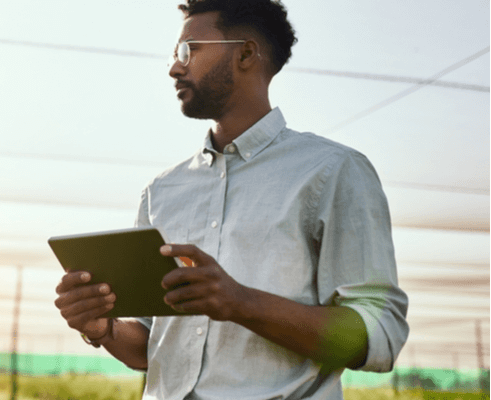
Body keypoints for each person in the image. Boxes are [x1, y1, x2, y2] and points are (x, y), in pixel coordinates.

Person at [53, 0, 409, 398]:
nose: (175, 68)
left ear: (245, 54)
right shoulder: (161, 190)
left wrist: (240, 302)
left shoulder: (333, 171)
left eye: (189, 50)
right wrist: (103, 328)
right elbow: (152, 347)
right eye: (174, 55)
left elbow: (379, 333)